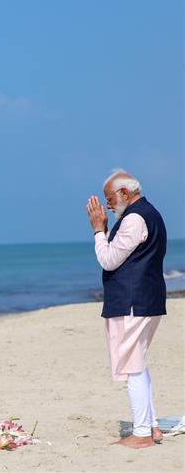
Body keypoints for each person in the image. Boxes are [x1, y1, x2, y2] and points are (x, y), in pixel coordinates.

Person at [86, 169, 167, 449]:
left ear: (125, 193)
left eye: (110, 198)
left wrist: (99, 230)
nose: (107, 205)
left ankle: (142, 433)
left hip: (134, 301)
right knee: (137, 363)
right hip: (146, 299)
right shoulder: (150, 213)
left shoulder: (134, 219)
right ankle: (152, 426)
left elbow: (108, 260)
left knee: (132, 366)